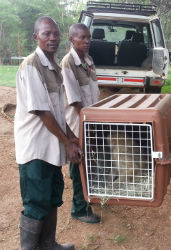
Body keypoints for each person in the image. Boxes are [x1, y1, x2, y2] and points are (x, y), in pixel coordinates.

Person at [14, 16, 82, 250]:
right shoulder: (32, 66)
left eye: (55, 34)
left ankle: (48, 244)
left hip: (51, 147)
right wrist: (67, 143)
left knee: (52, 196)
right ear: (36, 37)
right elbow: (43, 113)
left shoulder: (53, 67)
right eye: (46, 34)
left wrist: (72, 137)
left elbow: (58, 111)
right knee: (35, 203)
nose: (52, 38)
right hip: (36, 149)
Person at [61, 23, 100, 223]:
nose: (87, 41)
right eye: (82, 38)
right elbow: (75, 100)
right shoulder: (68, 63)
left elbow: (92, 91)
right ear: (71, 39)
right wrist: (89, 121)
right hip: (79, 122)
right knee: (79, 163)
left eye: (88, 38)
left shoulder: (88, 60)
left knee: (88, 162)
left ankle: (87, 196)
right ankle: (79, 208)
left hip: (90, 120)